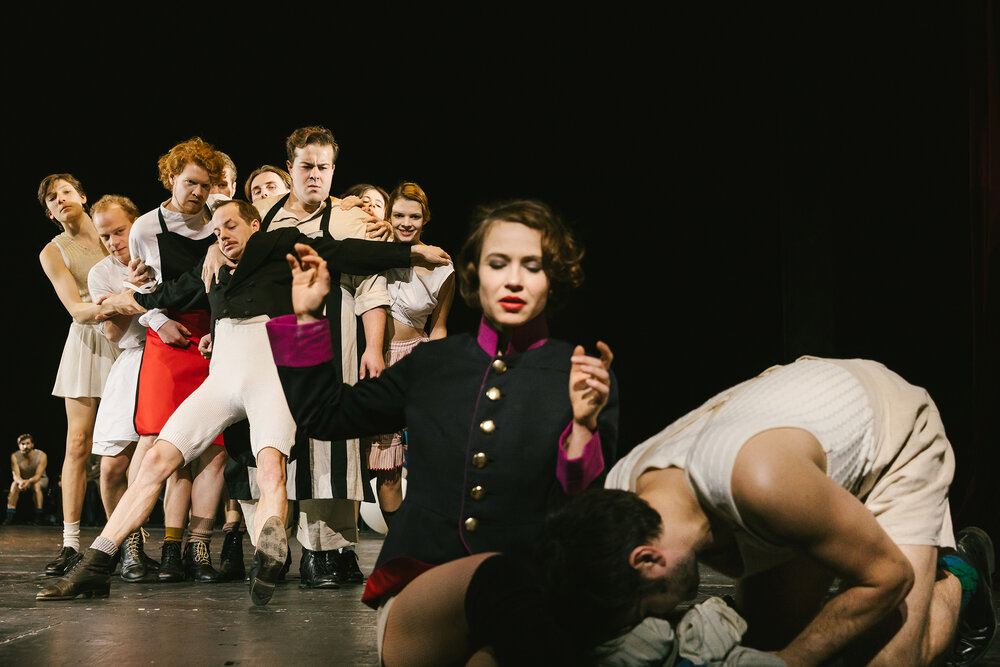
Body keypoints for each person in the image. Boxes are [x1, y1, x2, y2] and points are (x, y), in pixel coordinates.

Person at [37, 199, 451, 605]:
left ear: (255, 225)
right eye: (217, 231)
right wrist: (124, 298)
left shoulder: (280, 243)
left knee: (271, 467)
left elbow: (345, 252)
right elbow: (167, 295)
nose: (222, 236)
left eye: (231, 226)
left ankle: (269, 558)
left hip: (271, 372)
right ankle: (97, 562)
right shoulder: (212, 267)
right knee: (156, 460)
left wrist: (413, 253)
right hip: (223, 376)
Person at [266, 199, 618, 661]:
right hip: (423, 589)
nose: (513, 279)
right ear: (474, 274)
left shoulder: (580, 373)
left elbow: (584, 508)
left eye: (532, 266)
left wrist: (584, 427)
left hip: (528, 599)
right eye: (498, 264)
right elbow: (325, 416)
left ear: (554, 277)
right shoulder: (433, 364)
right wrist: (308, 319)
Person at [550, 358, 997, 665]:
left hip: (889, 433)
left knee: (885, 660)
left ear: (648, 559)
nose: (649, 623)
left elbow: (890, 576)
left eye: (642, 611)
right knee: (766, 640)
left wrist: (790, 661)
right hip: (798, 463)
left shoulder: (762, 484)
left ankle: (963, 571)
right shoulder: (621, 493)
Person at [226, 126, 393, 590]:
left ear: (333, 170)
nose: (315, 174)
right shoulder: (263, 218)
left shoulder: (351, 218)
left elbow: (371, 288)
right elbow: (228, 250)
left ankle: (328, 549)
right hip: (273, 345)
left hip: (333, 342)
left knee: (330, 445)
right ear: (291, 168)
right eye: (306, 166)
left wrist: (373, 347)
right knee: (276, 441)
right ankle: (279, 548)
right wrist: (213, 257)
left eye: (323, 167)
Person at [126, 138, 229, 582]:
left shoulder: (219, 217)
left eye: (206, 185)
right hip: (168, 336)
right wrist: (158, 321)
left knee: (212, 448)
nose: (198, 193)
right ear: (170, 178)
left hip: (212, 337)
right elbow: (139, 289)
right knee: (155, 441)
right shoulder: (146, 227)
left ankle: (195, 547)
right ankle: (132, 542)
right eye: (190, 183)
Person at [37, 173, 120, 574]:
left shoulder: (113, 229)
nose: (60, 199)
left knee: (124, 446)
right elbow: (75, 308)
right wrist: (121, 304)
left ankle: (125, 540)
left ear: (83, 196)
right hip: (87, 341)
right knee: (78, 442)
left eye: (66, 192)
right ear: (50, 213)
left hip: (127, 338)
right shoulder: (53, 251)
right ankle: (70, 543)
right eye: (52, 198)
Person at [368, 182, 455, 522]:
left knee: (422, 457)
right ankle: (398, 543)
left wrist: (437, 374)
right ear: (388, 216)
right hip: (373, 359)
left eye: (414, 217)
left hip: (415, 361)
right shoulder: (375, 250)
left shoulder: (442, 267)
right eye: (399, 215)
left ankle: (423, 537)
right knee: (386, 465)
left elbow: (439, 327)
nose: (406, 223)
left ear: (425, 218)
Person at [86, 194, 159, 581]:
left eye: (119, 231)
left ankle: (180, 547)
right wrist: (129, 289)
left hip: (170, 354)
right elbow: (114, 334)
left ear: (137, 223)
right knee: (113, 465)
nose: (114, 242)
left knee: (162, 463)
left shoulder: (160, 254)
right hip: (132, 360)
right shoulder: (101, 273)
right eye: (105, 236)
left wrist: (122, 300)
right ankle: (129, 545)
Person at [7, 434, 48, 525]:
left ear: (32, 444)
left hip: (39, 480)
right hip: (22, 480)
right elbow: (15, 475)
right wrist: (21, 482)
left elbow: (38, 475)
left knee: (36, 486)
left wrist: (28, 481)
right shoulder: (14, 456)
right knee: (14, 485)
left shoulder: (41, 455)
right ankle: (10, 516)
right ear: (19, 445)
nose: (25, 446)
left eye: (27, 443)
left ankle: (38, 517)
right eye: (22, 444)